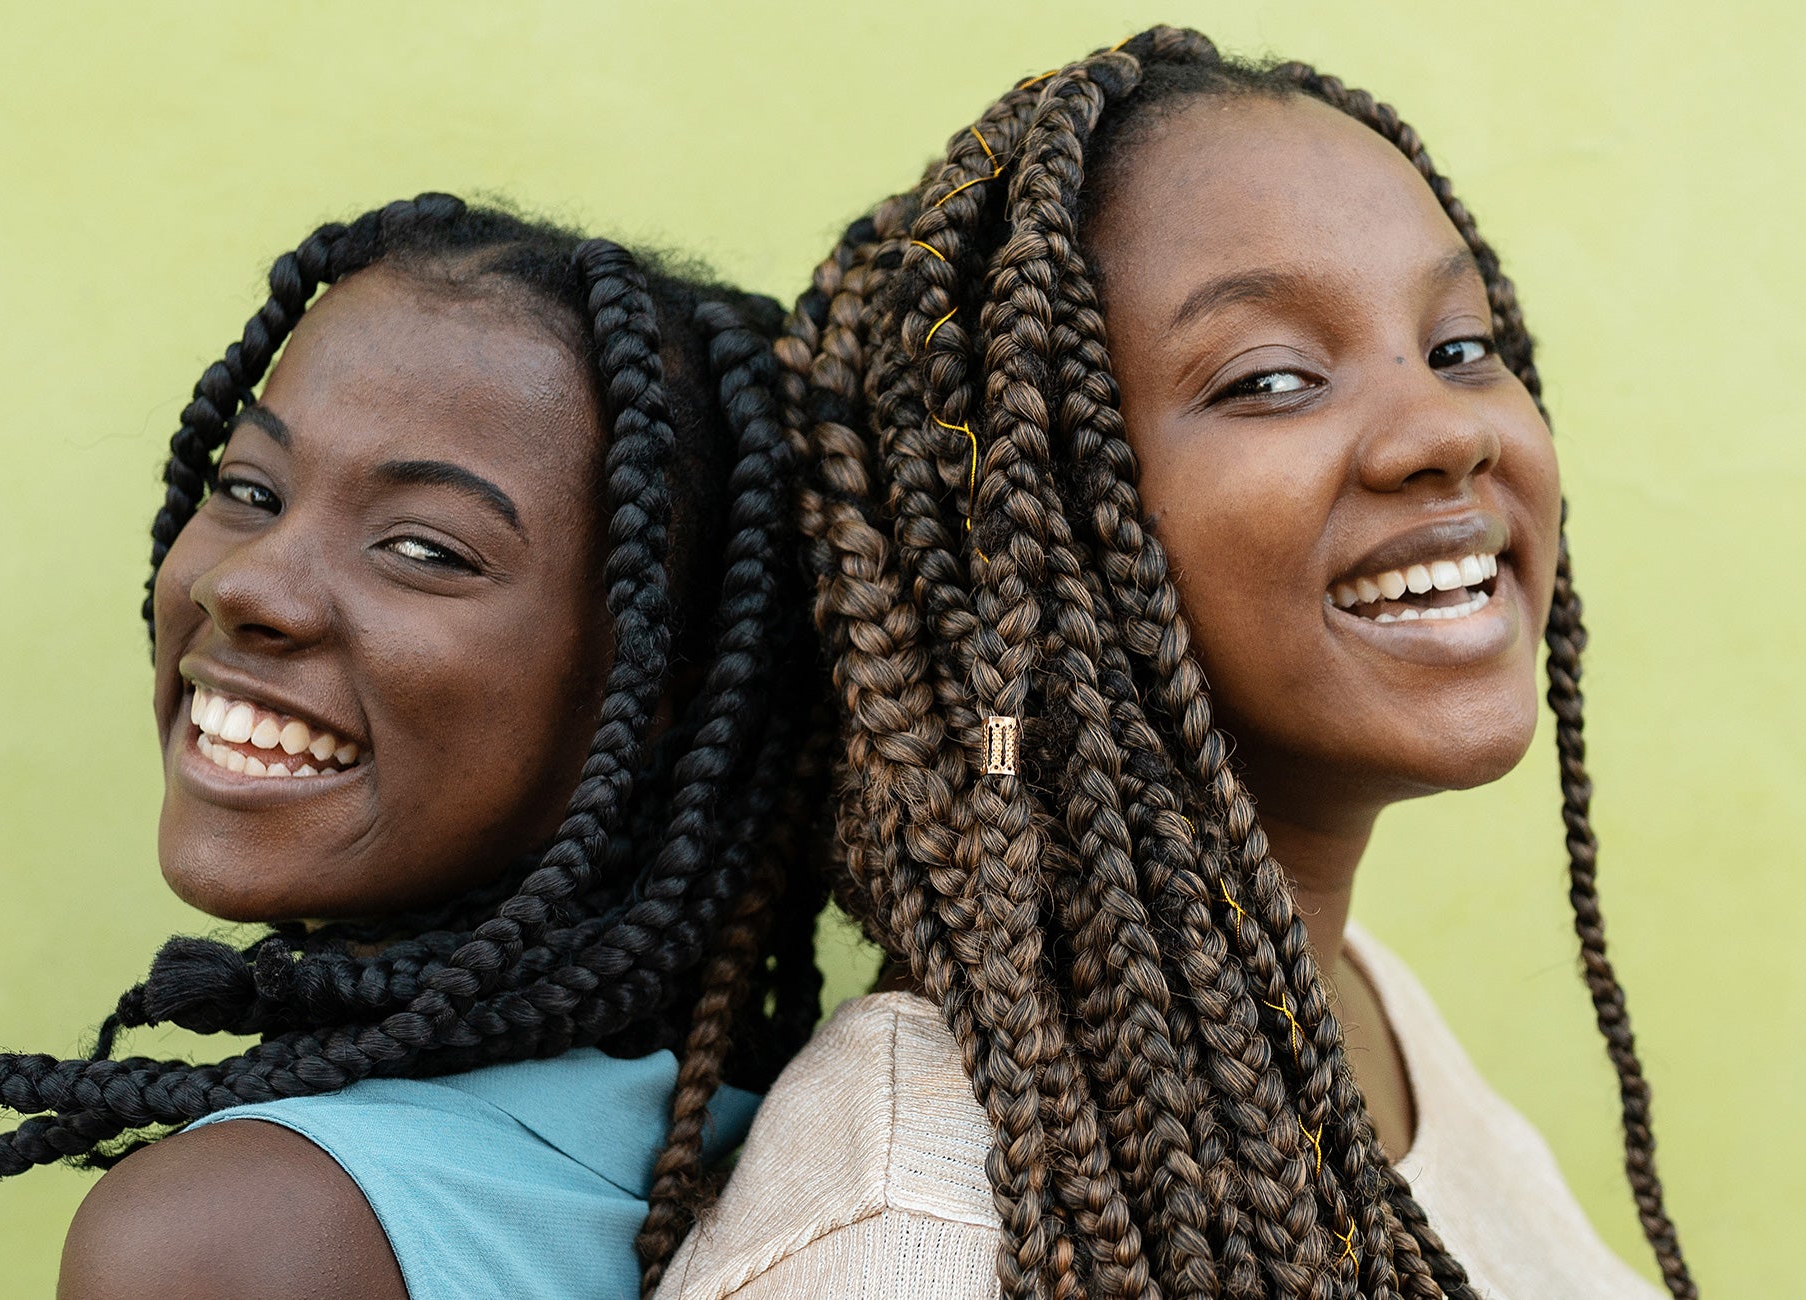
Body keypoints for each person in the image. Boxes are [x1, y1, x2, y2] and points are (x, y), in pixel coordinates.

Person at [658, 28, 1692, 1300]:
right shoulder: (910, 1227)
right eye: (1270, 378)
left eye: (1459, 346)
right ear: (1023, 540)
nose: (1443, 431)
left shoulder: (1335, 994)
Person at [0, 193, 836, 1300]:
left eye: (423, 547)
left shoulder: (242, 1239)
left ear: (663, 683)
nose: (245, 584)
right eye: (247, 490)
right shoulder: (762, 1148)